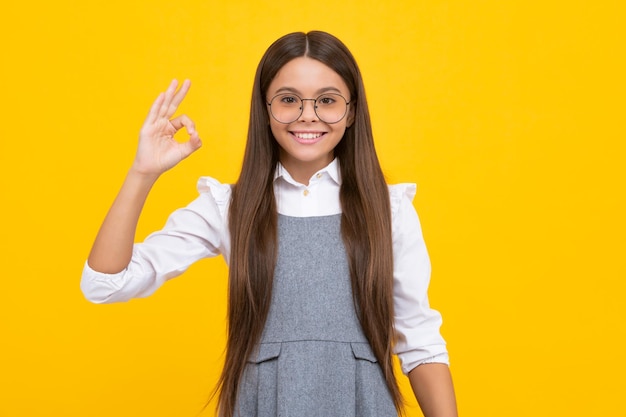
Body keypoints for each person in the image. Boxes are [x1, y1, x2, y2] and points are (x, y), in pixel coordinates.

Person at [81, 31, 458, 417]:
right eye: (289, 100)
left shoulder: (388, 209)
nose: (307, 115)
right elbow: (105, 283)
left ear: (352, 111)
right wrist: (142, 173)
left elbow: (420, 342)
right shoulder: (229, 207)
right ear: (264, 108)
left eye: (327, 101)